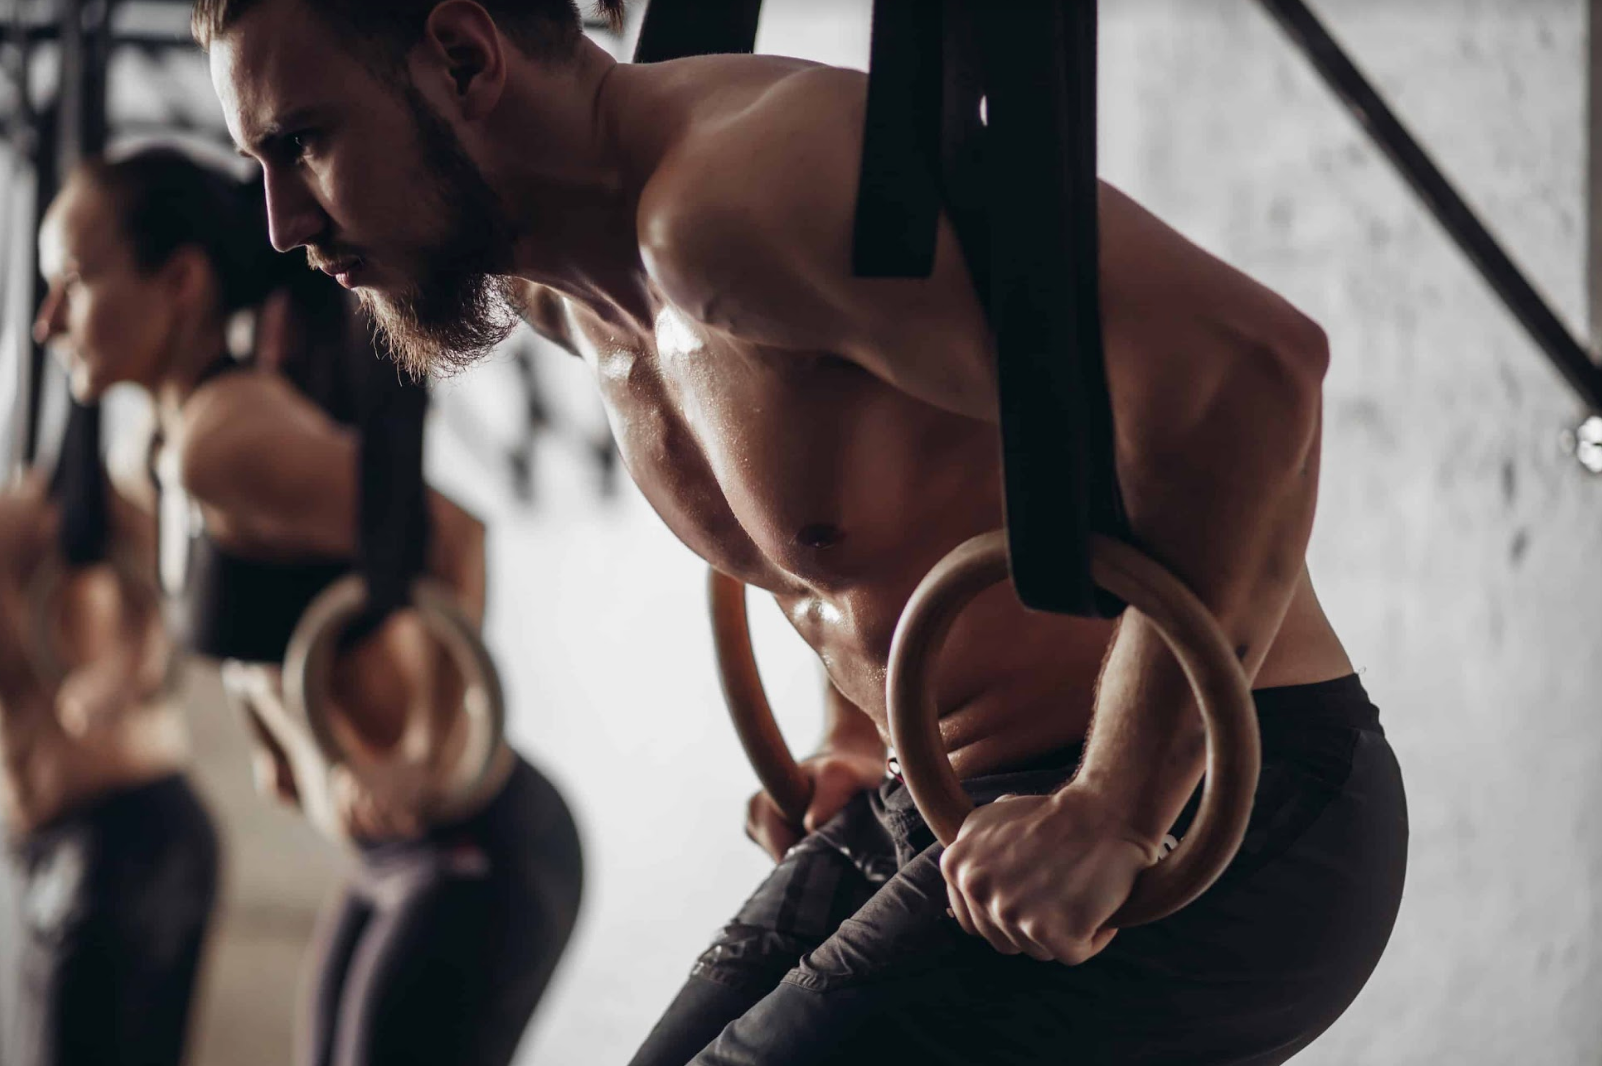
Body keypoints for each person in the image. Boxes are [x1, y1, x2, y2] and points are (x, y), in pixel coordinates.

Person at [197, 2, 1410, 1063]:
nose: (280, 222)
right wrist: (850, 731)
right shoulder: (558, 288)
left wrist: (1115, 807)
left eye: (303, 141)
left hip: (1236, 806)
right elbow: (828, 532)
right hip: (945, 801)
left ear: (463, 57)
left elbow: (1254, 376)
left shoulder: (733, 202)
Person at [31, 146, 583, 1066]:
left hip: (475, 847)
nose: (47, 322)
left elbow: (453, 536)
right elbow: (248, 620)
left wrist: (419, 756)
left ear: (179, 282)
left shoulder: (227, 439)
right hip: (384, 859)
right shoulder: (158, 456)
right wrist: (264, 741)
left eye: (73, 286)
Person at [0, 343, 219, 1063]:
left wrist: (120, 676)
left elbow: (150, 626)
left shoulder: (67, 515)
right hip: (55, 854)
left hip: (125, 846)